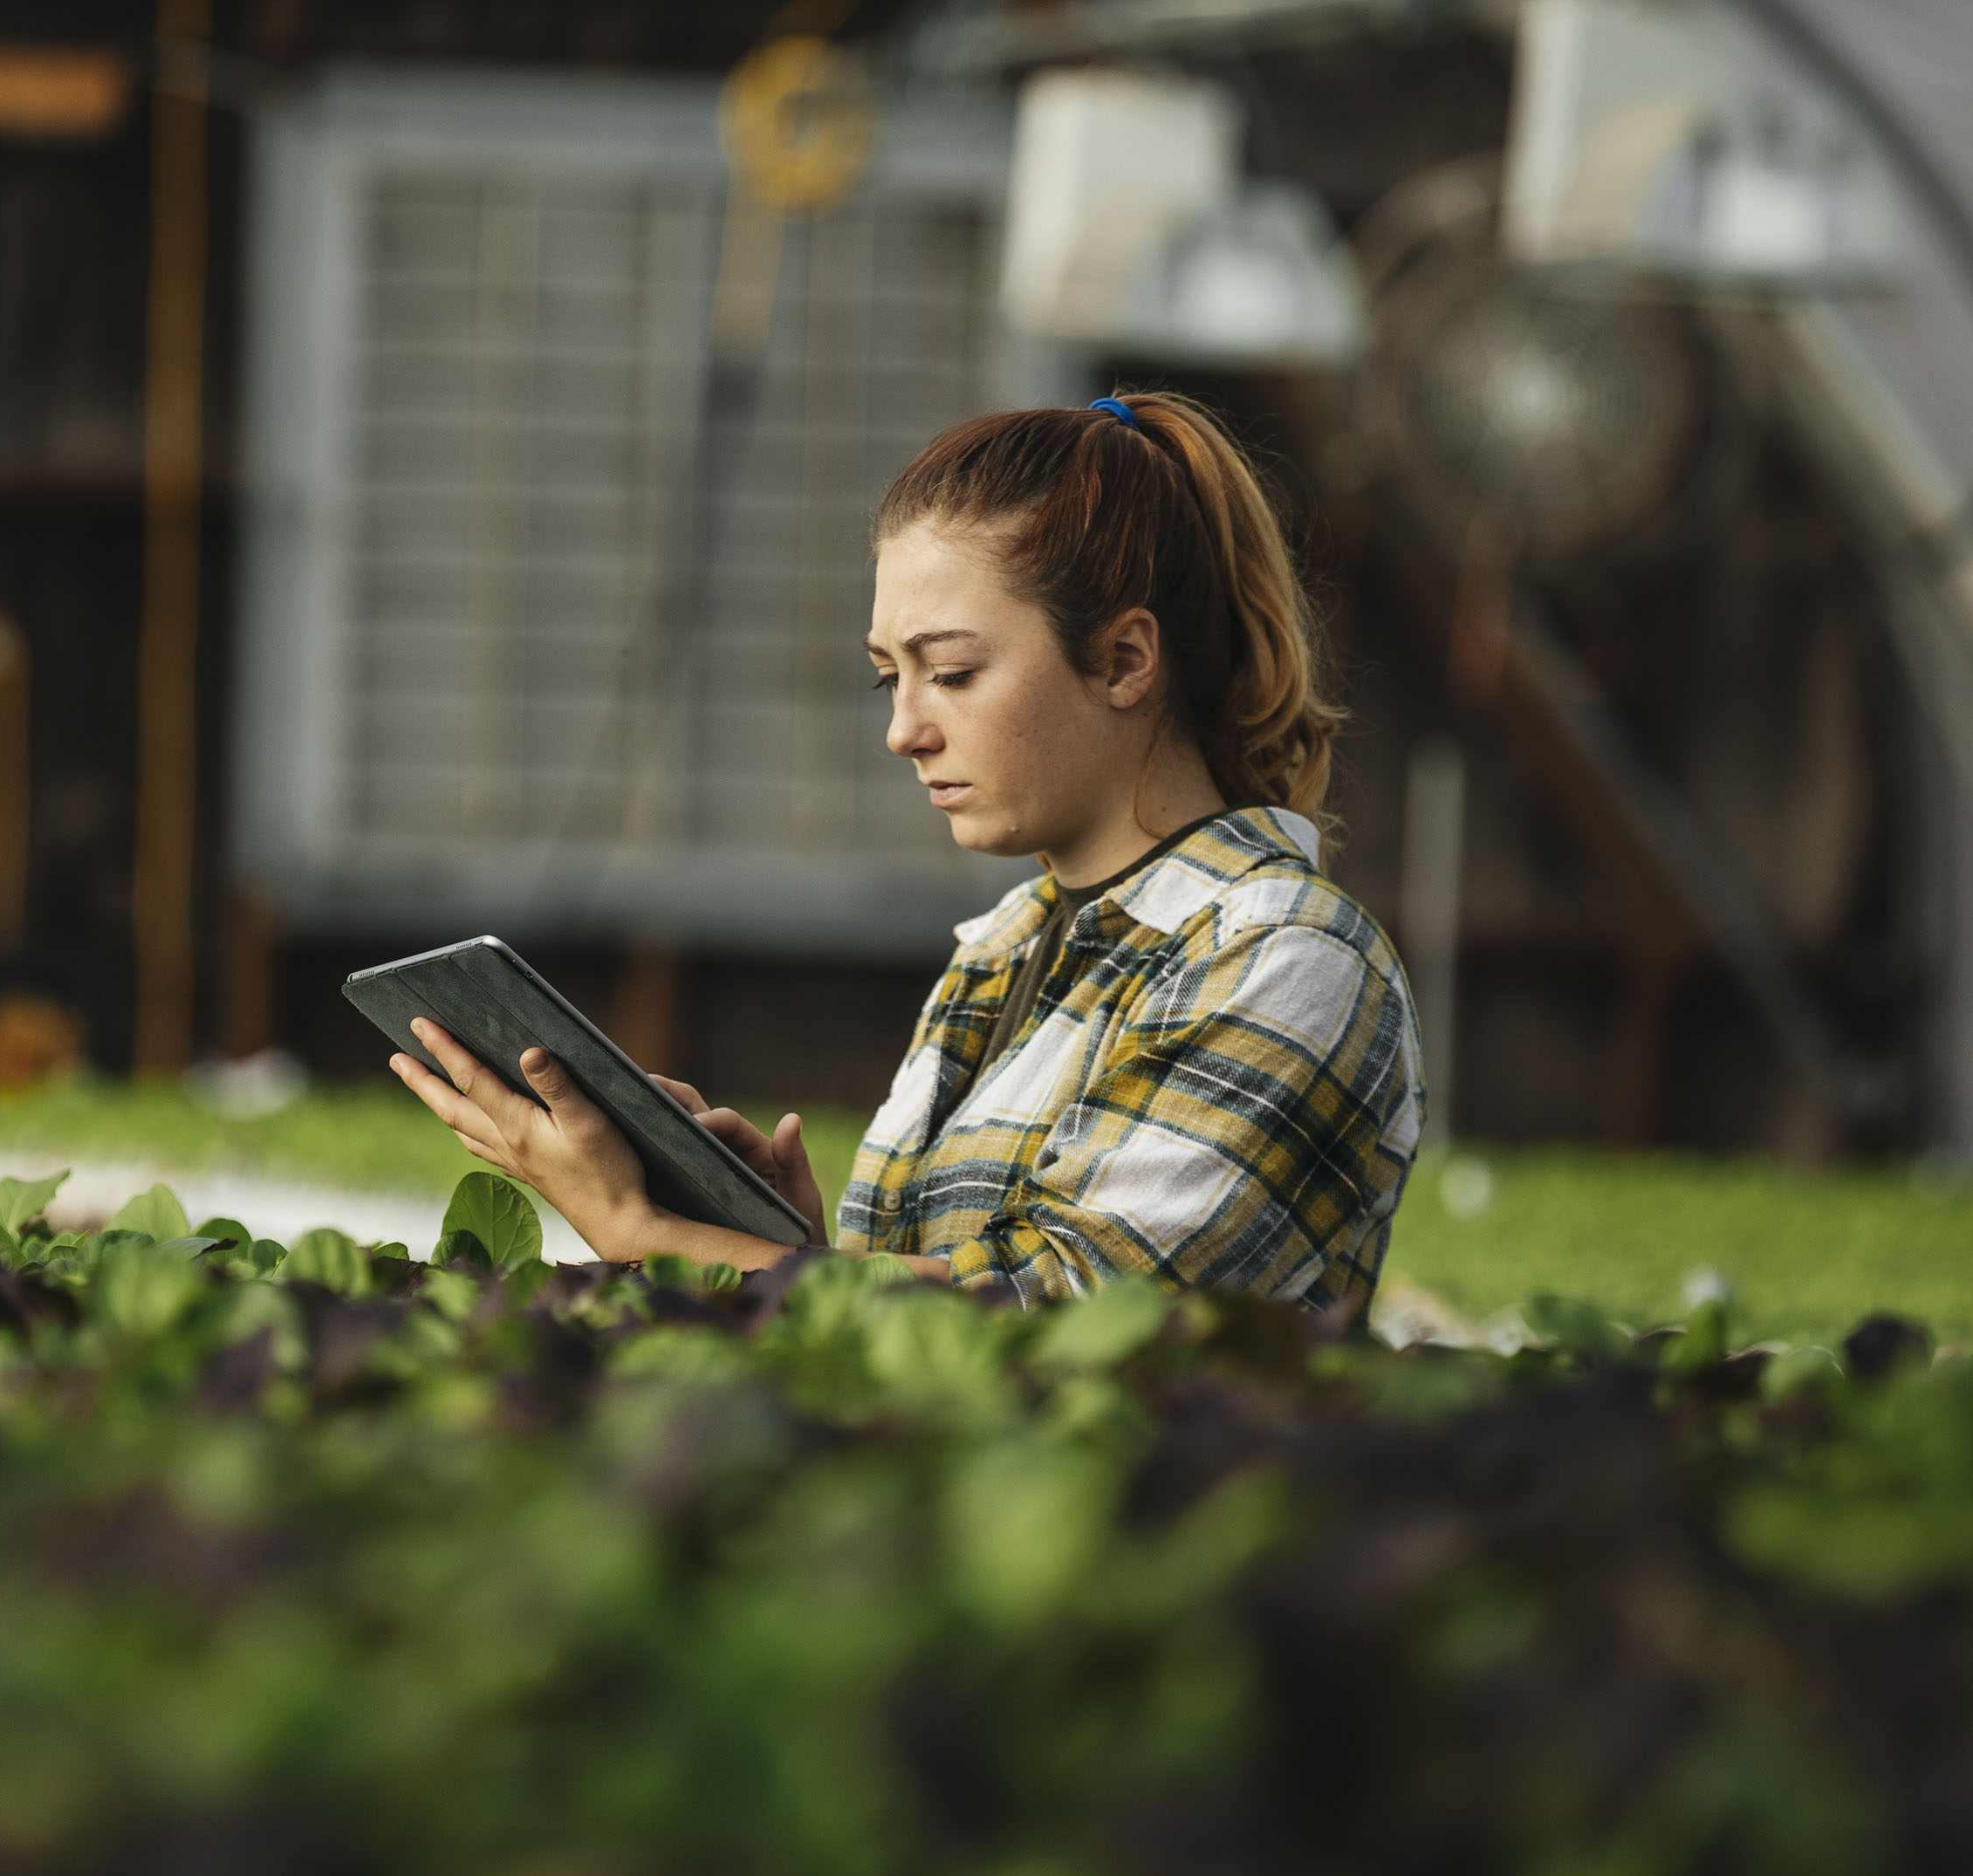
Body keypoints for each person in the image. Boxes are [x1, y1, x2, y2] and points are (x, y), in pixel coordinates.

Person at [390, 393, 1425, 1311]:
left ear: (1124, 660)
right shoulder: (1005, 947)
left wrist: (650, 1237)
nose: (905, 730)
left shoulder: (1289, 957)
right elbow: (926, 1325)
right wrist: (780, 1242)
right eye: (892, 678)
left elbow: (1064, 1322)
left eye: (955, 673)